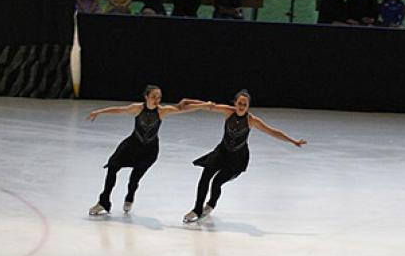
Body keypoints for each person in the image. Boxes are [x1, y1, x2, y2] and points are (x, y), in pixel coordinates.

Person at [178, 91, 305, 223]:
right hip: (221, 152)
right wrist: (189, 101)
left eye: (245, 104)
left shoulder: (251, 120)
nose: (242, 106)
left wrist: (293, 141)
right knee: (204, 178)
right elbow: (209, 106)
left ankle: (210, 205)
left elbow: (272, 131)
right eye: (240, 103)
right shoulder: (228, 112)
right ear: (235, 103)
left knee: (217, 182)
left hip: (237, 159)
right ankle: (197, 209)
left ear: (248, 106)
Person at [87, 85, 195, 216]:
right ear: (146, 96)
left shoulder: (162, 111)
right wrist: (99, 112)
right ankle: (103, 201)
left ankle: (130, 196)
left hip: (149, 151)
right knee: (112, 166)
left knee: (134, 179)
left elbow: (181, 109)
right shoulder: (137, 108)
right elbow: (119, 110)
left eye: (159, 97)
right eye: (154, 96)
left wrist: (205, 105)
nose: (157, 100)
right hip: (131, 146)